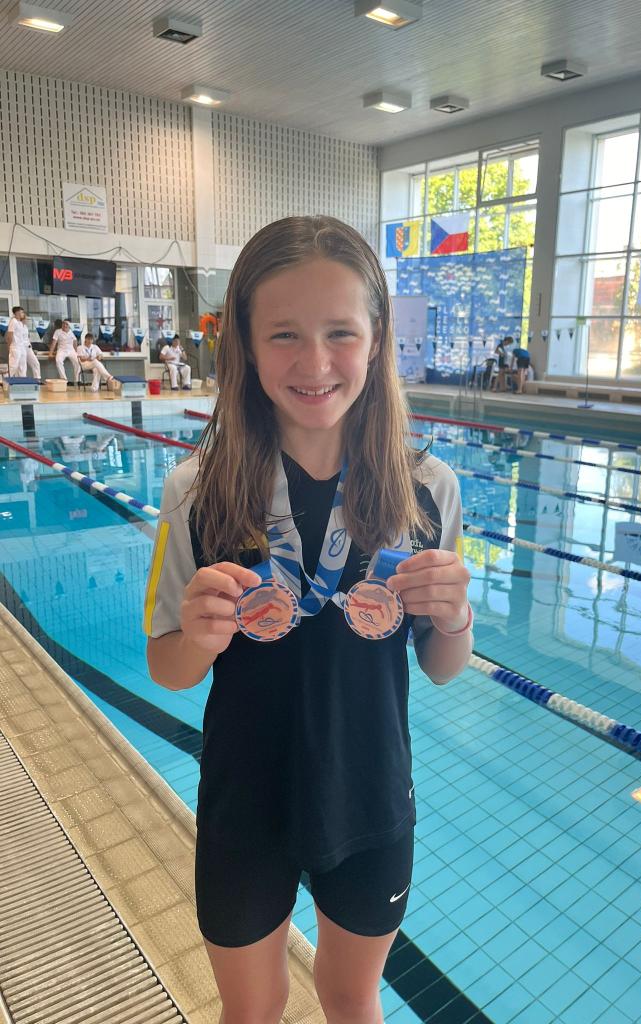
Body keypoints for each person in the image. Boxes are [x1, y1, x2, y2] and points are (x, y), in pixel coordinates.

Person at [144, 216, 472, 1024]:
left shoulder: (429, 489)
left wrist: (457, 616)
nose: (315, 363)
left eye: (340, 333)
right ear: (247, 346)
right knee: (251, 1011)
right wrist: (199, 636)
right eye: (284, 334)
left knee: (352, 998)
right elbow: (167, 668)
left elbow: (442, 665)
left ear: (376, 339)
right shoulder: (195, 490)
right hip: (243, 803)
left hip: (370, 797)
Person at [7, 306, 41, 379]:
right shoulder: (13, 321)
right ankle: (10, 381)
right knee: (14, 365)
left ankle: (23, 381)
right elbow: (9, 335)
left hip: (22, 346)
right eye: (22, 312)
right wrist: (9, 347)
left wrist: (30, 348)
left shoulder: (21, 323)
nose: (24, 314)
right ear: (17, 313)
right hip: (15, 346)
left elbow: (25, 338)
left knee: (22, 366)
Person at [50, 319, 80, 384]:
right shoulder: (57, 331)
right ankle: (64, 380)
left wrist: (76, 352)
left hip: (71, 350)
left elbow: (75, 342)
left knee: (77, 362)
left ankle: (77, 380)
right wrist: (50, 353)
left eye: (66, 324)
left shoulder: (73, 331)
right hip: (61, 350)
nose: (65, 325)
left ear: (70, 325)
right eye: (63, 323)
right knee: (58, 361)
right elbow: (54, 343)